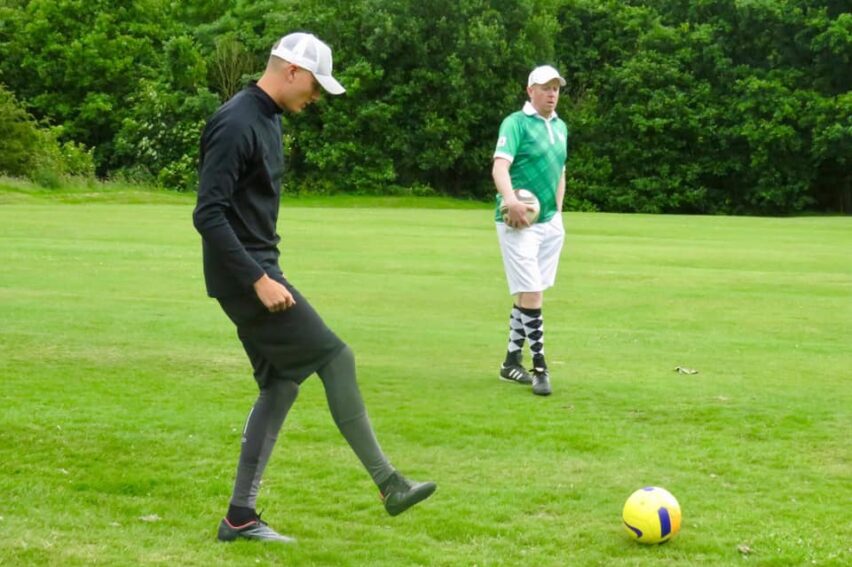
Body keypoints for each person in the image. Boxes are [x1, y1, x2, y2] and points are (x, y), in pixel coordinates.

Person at [192, 32, 436, 544]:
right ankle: (389, 484)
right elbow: (208, 214)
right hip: (245, 279)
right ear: (291, 72)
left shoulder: (269, 120)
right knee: (335, 357)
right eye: (315, 86)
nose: (316, 97)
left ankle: (239, 517)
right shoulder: (237, 122)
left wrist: (267, 269)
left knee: (280, 386)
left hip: (258, 270)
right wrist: (259, 280)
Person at [492, 65, 569, 397]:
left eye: (556, 88)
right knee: (533, 292)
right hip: (518, 224)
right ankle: (540, 367)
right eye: (545, 87)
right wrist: (511, 201)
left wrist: (559, 215)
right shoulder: (516, 123)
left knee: (528, 293)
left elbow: (560, 171)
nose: (552, 93)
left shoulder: (561, 127)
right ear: (530, 91)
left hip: (549, 222)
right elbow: (500, 166)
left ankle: (511, 362)